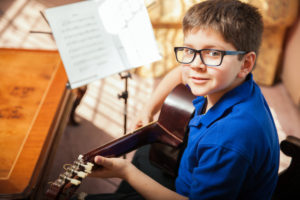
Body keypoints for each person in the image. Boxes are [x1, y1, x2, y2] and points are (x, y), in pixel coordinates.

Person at [82, 0, 280, 199]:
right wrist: (148, 109)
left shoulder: (227, 140)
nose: (195, 64)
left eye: (213, 53)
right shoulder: (231, 82)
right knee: (145, 155)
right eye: (189, 50)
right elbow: (180, 73)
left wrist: (126, 172)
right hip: (188, 170)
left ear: (246, 63)